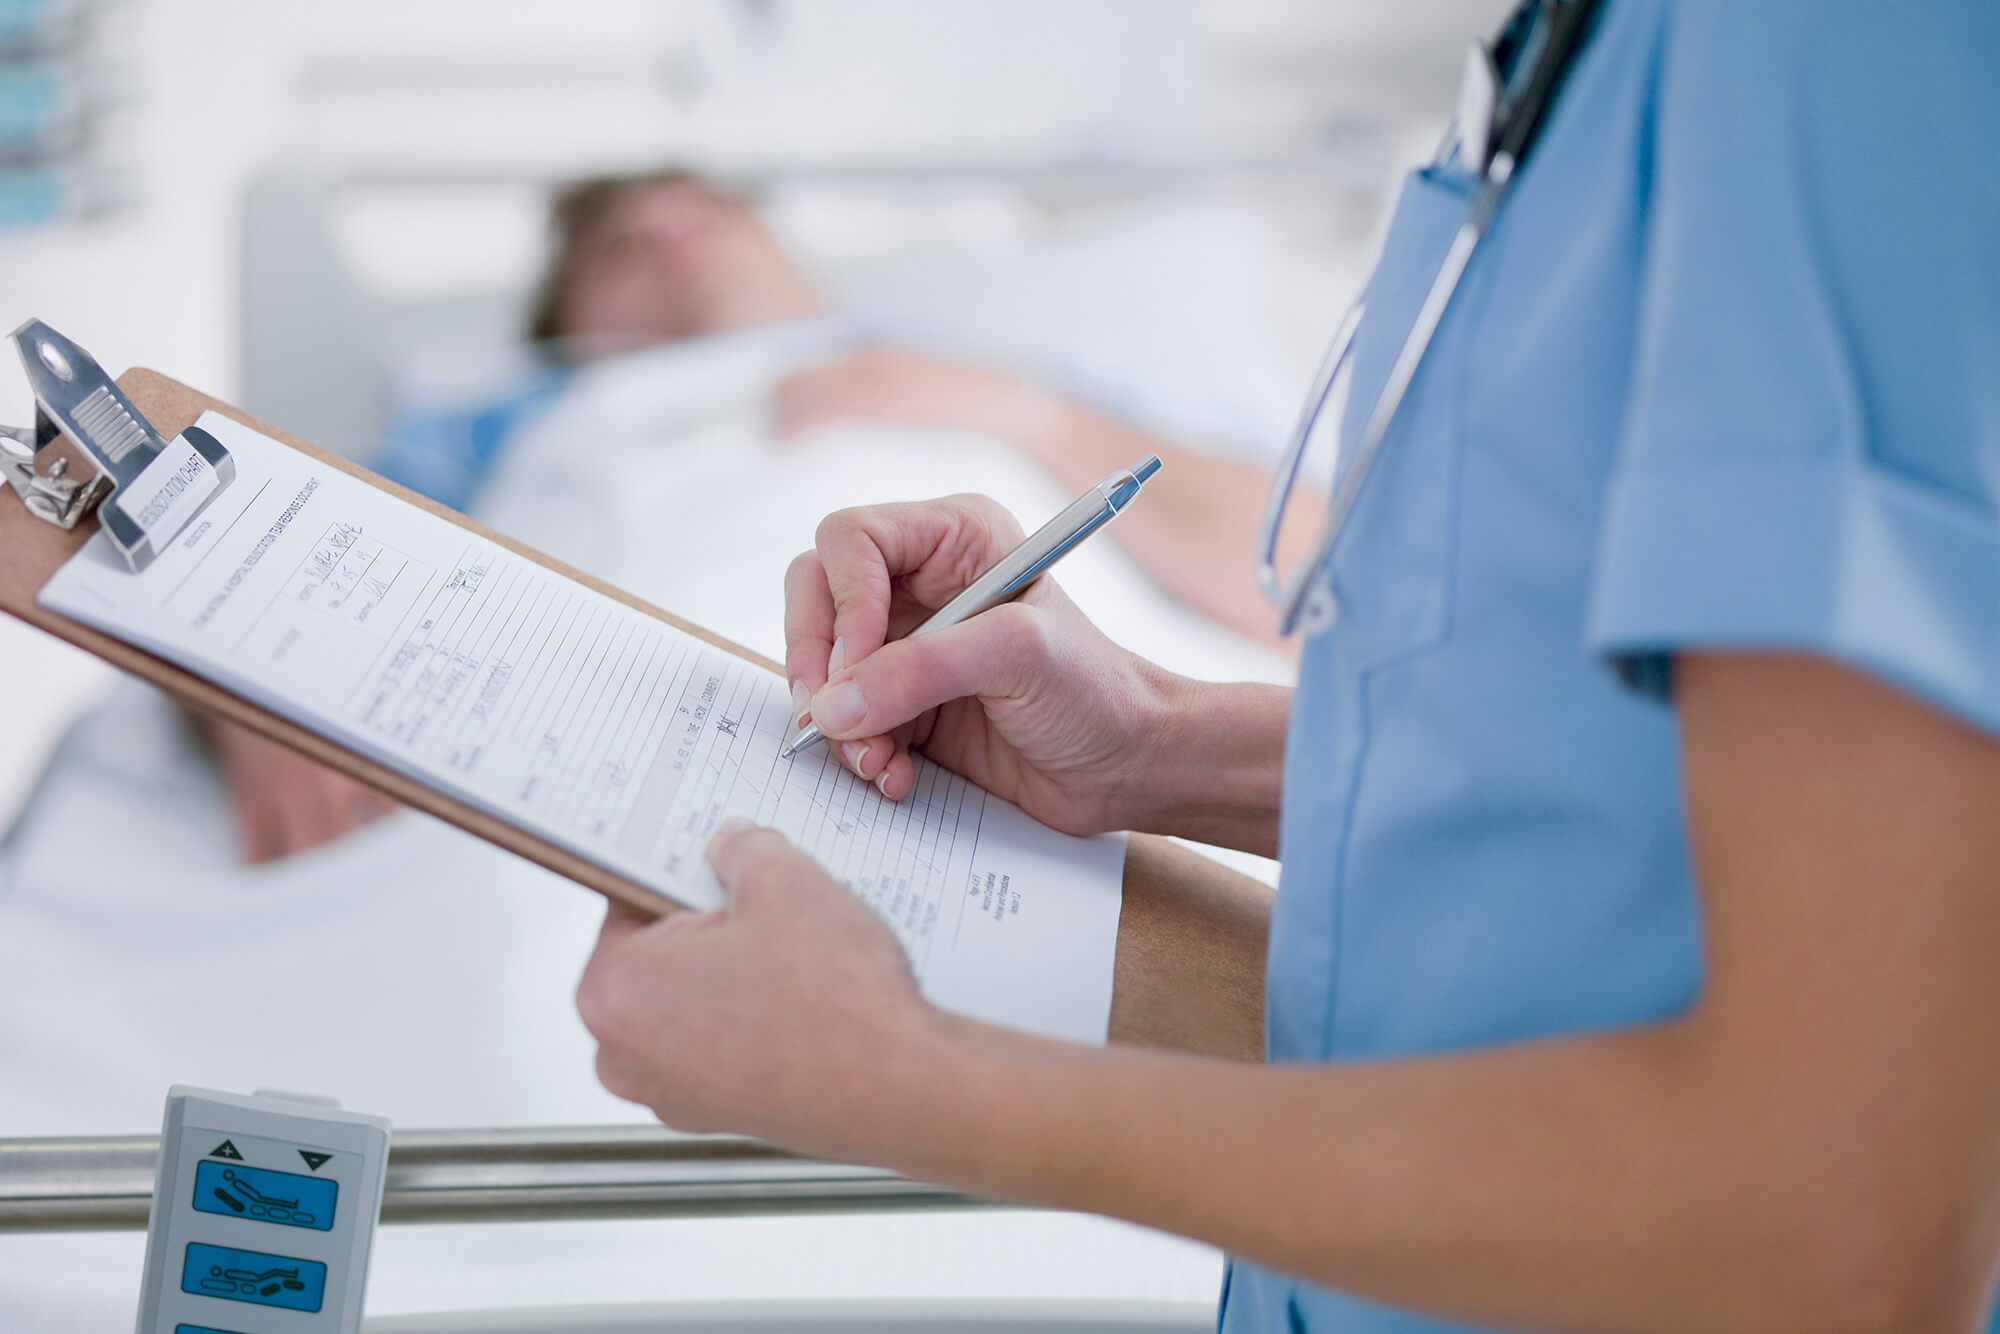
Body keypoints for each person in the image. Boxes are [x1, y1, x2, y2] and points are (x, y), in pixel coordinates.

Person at [574, 3, 2000, 1332]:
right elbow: (1620, 785)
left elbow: (1840, 1221)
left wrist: (899, 1082)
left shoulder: (1831, 47)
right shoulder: (1615, 49)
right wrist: (1163, 740)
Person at [213, 169, 1315, 863]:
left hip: (1060, 758)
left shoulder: (1001, 378)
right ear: (574, 323)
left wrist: (1016, 410)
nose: (669, 233)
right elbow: (275, 532)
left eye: (700, 209)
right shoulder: (520, 417)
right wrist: (243, 679)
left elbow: (1314, 575)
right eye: (621, 249)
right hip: (591, 748)